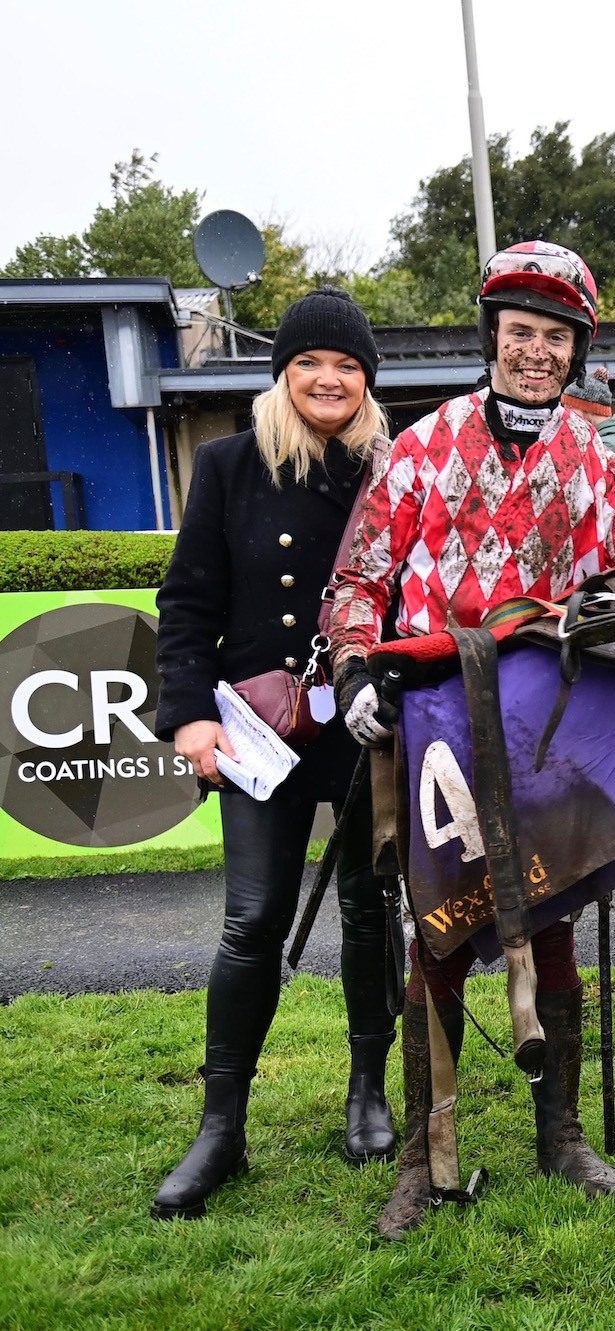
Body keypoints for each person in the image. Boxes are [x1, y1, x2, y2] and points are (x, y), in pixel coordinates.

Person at [326, 240, 615, 1240]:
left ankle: (558, 1131)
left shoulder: (599, 461)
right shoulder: (421, 447)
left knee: (552, 918)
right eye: (520, 331)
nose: (535, 351)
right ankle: (422, 1155)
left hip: (551, 724)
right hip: (437, 719)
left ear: (575, 350)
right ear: (493, 337)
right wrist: (354, 670)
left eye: (554, 336)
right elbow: (355, 582)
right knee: (435, 936)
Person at [151, 288, 394, 1219]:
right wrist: (188, 716)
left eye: (346, 365)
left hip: (367, 720)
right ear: (282, 372)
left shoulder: (392, 464)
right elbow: (189, 603)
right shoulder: (226, 464)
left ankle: (368, 1090)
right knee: (252, 920)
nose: (328, 379)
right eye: (310, 364)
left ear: (366, 378)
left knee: (372, 910)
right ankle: (222, 1125)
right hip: (257, 730)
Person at [563, 365, 615, 485]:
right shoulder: (612, 439)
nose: (565, 414)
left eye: (570, 407)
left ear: (588, 408)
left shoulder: (608, 445)